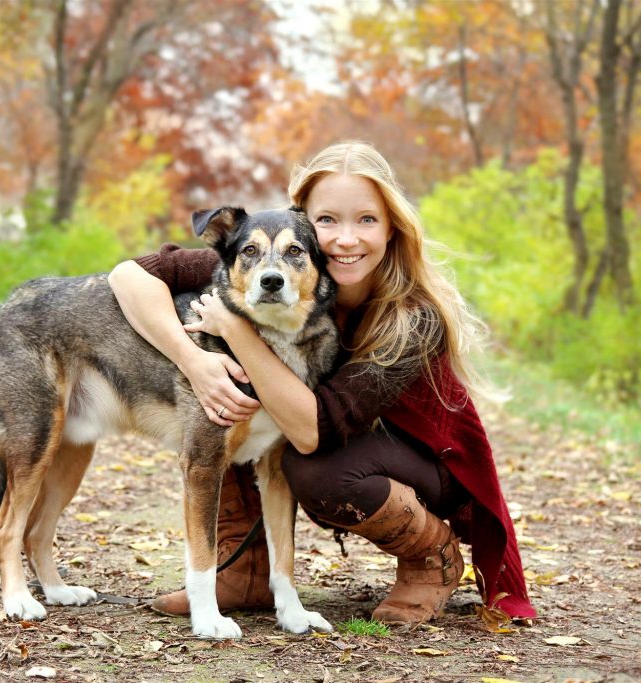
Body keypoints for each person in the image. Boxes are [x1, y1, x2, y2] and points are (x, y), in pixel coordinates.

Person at [108, 141, 536, 624]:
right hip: (338, 435)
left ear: (392, 227)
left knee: (307, 464)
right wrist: (193, 360)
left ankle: (429, 559)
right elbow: (129, 276)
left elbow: (312, 429)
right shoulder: (268, 258)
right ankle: (245, 567)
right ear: (301, 217)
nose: (345, 239)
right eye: (328, 220)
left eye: (367, 220)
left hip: (423, 464)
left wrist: (233, 328)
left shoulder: (411, 319)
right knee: (229, 403)